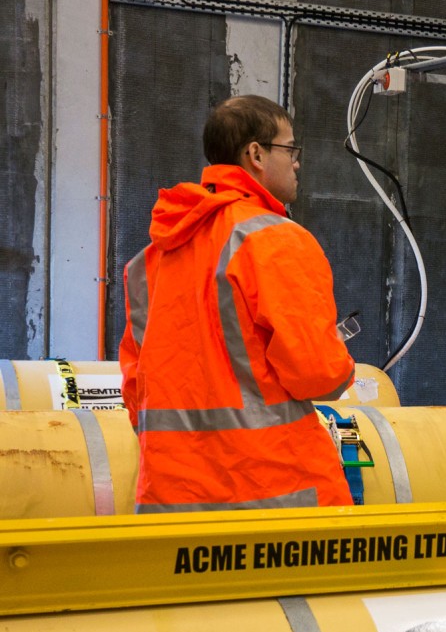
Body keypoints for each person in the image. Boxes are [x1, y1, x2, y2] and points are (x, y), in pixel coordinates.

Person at [119, 94, 355, 512]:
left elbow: (137, 387)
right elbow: (318, 375)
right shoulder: (276, 240)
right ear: (256, 154)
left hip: (172, 496)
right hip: (273, 493)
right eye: (290, 149)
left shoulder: (152, 257)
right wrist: (339, 358)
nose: (297, 163)